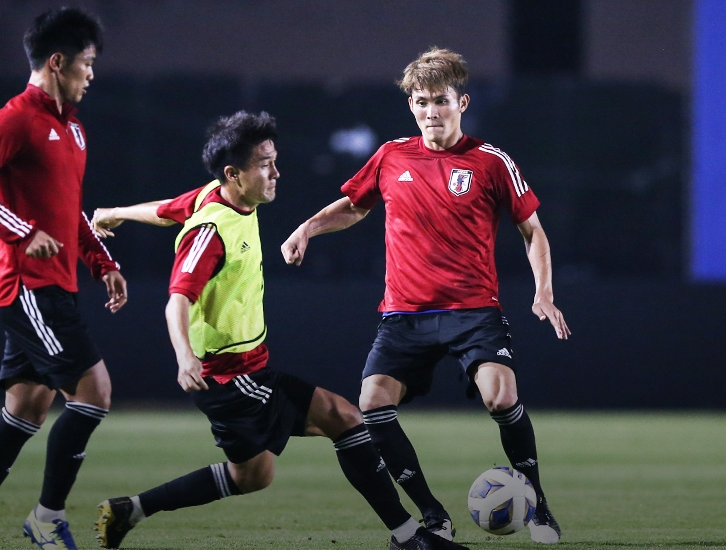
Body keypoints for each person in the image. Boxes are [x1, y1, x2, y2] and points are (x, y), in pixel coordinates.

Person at [87, 111, 466, 550]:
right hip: (232, 378)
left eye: (275, 160)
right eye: (265, 163)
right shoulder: (211, 231)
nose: (276, 172)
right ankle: (408, 536)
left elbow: (165, 210)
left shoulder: (217, 195)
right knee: (344, 417)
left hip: (239, 372)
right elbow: (177, 299)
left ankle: (127, 510)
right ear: (234, 174)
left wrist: (113, 213)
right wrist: (185, 356)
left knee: (253, 475)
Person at [280, 47, 569, 544]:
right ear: (411, 106)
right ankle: (432, 513)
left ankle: (538, 504)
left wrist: (543, 292)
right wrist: (307, 228)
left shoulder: (491, 161)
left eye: (439, 100)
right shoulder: (392, 155)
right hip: (403, 315)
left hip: (473, 310)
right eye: (420, 102)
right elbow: (355, 206)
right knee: (372, 404)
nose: (429, 111)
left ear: (462, 103)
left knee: (501, 398)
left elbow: (534, 231)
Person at [0, 8, 126, 550]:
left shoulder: (74, 129)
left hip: (54, 286)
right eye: (86, 64)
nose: (92, 74)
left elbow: (69, 211)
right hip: (27, 289)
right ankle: (46, 519)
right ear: (57, 62)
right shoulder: (15, 118)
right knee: (94, 392)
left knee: (27, 408)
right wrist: (20, 233)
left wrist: (102, 263)